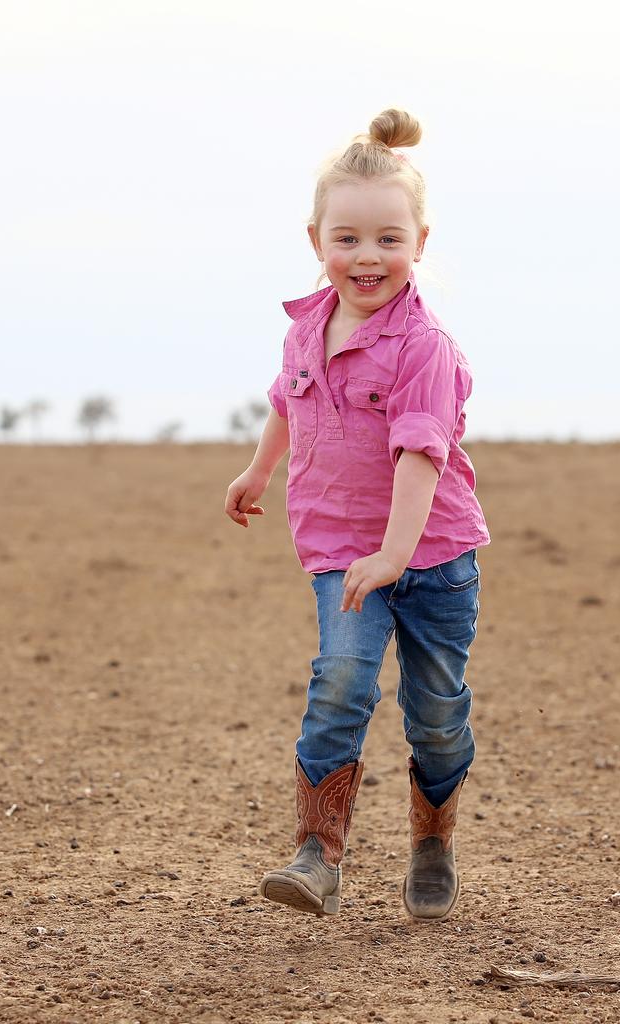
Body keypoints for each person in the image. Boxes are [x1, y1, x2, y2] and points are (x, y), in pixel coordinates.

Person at [224, 109, 490, 921]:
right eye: (347, 239)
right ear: (316, 241)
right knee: (340, 683)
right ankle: (317, 855)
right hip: (343, 550)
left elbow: (421, 457)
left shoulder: (425, 347)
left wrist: (395, 556)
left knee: (436, 714)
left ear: (419, 240)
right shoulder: (305, 329)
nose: (366, 257)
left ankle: (433, 842)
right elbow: (287, 405)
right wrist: (259, 468)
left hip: (433, 555)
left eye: (387, 239)